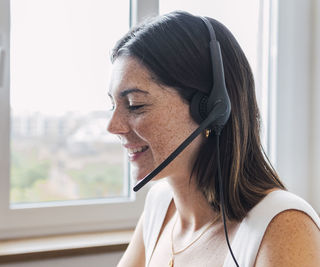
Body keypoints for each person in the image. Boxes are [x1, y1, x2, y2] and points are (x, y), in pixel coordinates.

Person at [106, 11, 320, 267]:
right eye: (113, 105)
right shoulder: (161, 206)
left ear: (211, 109)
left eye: (135, 104)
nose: (113, 126)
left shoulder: (283, 226)